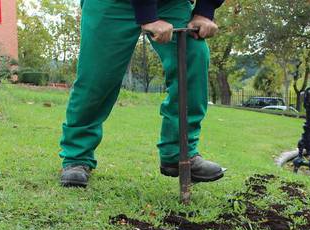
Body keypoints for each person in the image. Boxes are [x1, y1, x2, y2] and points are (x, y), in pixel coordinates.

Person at [58, 0, 226, 188]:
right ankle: (77, 156)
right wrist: (148, 15)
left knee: (193, 55)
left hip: (170, 3)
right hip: (110, 4)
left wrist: (205, 10)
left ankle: (179, 151)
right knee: (97, 78)